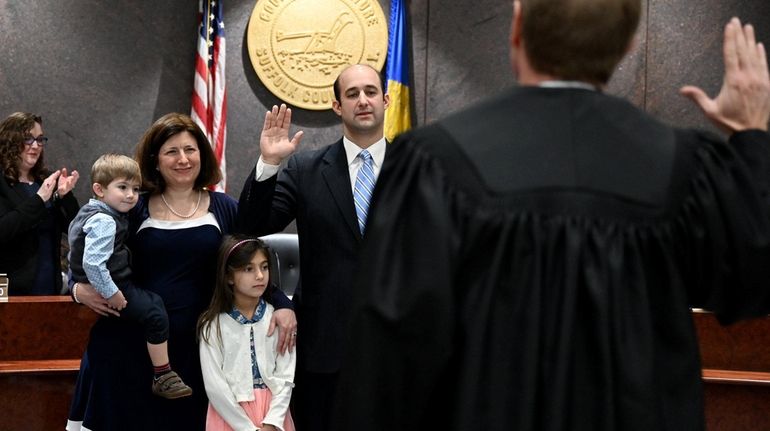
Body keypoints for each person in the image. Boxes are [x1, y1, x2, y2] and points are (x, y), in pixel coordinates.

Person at [332, 1, 770, 430]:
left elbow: (385, 354)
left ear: (517, 27)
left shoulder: (435, 161)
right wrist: (751, 140)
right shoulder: (683, 166)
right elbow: (751, 282)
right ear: (629, 43)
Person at [67, 113, 297, 431]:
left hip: (199, 355)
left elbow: (247, 261)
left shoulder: (222, 207)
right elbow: (83, 254)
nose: (183, 159)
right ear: (155, 160)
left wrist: (283, 305)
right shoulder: (132, 207)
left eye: (190, 149)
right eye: (171, 151)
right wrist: (77, 290)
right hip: (128, 349)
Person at [237, 64, 389, 431]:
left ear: (385, 100)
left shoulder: (418, 169)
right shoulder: (306, 168)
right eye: (352, 94)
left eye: (370, 92)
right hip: (325, 348)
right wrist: (270, 163)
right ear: (337, 107)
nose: (363, 100)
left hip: (398, 348)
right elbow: (251, 227)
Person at [68, 153, 193, 400]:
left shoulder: (89, 211)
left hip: (109, 284)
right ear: (99, 189)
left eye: (135, 189)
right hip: (114, 287)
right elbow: (93, 263)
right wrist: (111, 292)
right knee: (156, 313)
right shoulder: (105, 220)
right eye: (122, 187)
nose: (131, 195)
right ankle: (163, 374)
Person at [198, 235, 296, 431]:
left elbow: (286, 374)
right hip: (230, 417)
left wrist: (273, 421)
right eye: (248, 269)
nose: (260, 276)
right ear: (228, 277)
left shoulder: (277, 320)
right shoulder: (213, 326)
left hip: (274, 414)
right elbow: (215, 386)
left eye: (264, 267)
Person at [0, 112, 79, 295]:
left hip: (50, 284)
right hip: (10, 289)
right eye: (28, 139)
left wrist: (64, 197)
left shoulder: (46, 180)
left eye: (40, 139)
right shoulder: (2, 183)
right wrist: (39, 200)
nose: (35, 146)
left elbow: (76, 229)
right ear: (10, 141)